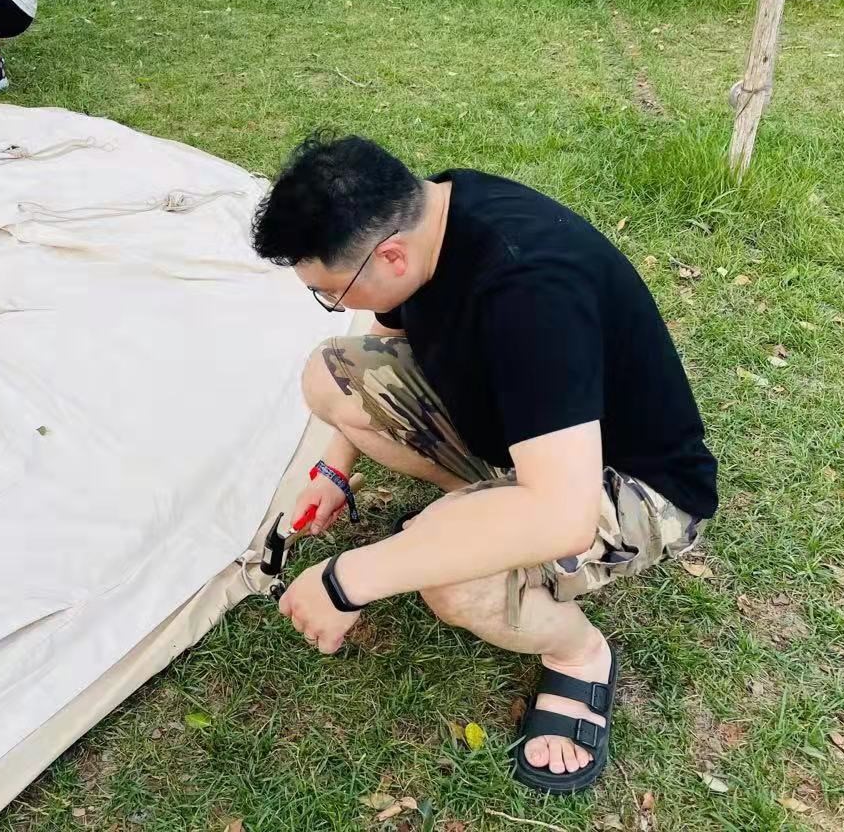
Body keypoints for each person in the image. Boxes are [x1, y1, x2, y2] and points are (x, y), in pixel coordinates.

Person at [251, 134, 718, 795]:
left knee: (455, 583)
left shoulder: (530, 290)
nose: (339, 307)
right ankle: (483, 509)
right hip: (530, 445)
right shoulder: (429, 213)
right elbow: (387, 338)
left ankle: (578, 653)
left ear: (390, 255)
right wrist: (334, 465)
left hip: (632, 484)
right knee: (332, 374)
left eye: (333, 293)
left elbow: (562, 517)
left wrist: (345, 580)